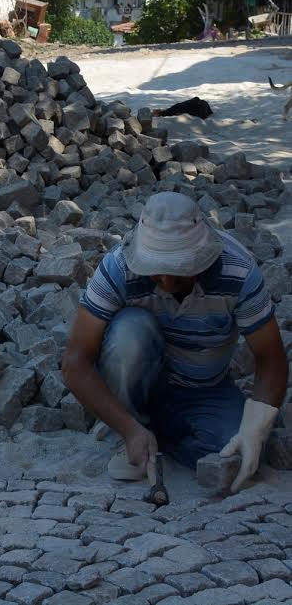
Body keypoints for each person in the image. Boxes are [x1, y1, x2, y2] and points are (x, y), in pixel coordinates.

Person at [62, 192, 286, 493]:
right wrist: (128, 427)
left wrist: (254, 428)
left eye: (180, 274)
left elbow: (271, 357)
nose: (167, 283)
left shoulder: (238, 271)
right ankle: (130, 426)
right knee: (130, 331)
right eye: (156, 273)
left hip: (204, 390)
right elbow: (75, 362)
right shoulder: (117, 267)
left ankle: (151, 435)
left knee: (235, 449)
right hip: (139, 382)